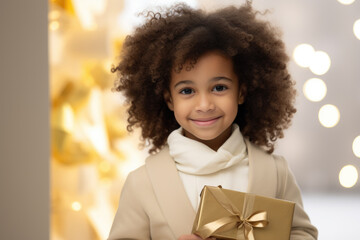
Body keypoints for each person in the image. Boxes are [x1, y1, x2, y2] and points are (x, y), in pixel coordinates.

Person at [108, 2, 318, 240]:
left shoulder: (276, 172)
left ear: (241, 92)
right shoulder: (142, 183)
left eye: (219, 87)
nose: (205, 104)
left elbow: (302, 233)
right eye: (187, 91)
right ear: (169, 99)